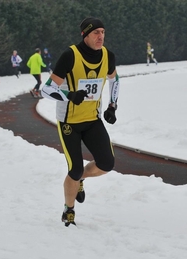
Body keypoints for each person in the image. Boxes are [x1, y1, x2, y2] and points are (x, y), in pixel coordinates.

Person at [41, 17, 120, 227]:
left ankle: (81, 179)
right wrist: (69, 95)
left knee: (107, 164)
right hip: (69, 123)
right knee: (73, 169)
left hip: (92, 119)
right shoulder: (70, 56)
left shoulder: (107, 56)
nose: (100, 36)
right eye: (96, 32)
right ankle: (69, 210)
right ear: (85, 35)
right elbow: (46, 89)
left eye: (103, 32)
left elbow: (115, 79)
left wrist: (112, 106)